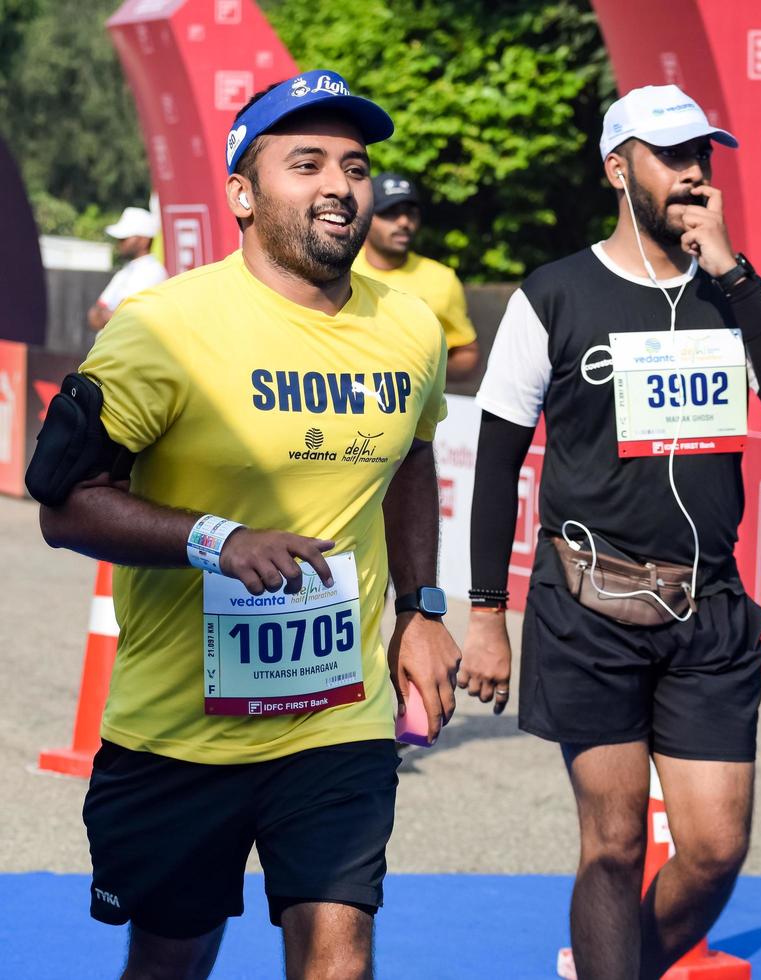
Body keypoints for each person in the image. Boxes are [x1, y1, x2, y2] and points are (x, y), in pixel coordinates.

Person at [35, 70, 460, 979]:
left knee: (338, 949)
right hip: (179, 731)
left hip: (337, 721)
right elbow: (62, 504)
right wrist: (217, 541)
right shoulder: (165, 329)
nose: (340, 185)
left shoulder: (413, 327)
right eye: (305, 163)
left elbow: (412, 455)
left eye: (353, 164)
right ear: (242, 193)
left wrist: (421, 609)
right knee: (172, 959)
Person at [458, 84, 761, 979]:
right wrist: (484, 613)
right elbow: (497, 463)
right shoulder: (552, 295)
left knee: (712, 850)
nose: (696, 169)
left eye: (704, 150)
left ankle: (603, 965)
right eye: (672, 153)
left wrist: (733, 271)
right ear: (619, 169)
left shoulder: (734, 291)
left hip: (710, 612)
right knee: (615, 844)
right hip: (590, 603)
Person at [353, 172, 480, 382]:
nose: (404, 221)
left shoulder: (442, 279)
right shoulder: (338, 270)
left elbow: (468, 353)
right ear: (365, 216)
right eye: (390, 212)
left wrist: (424, 369)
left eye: (411, 213)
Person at [86, 206, 168, 331]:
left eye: (125, 238)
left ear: (144, 240)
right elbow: (94, 317)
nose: (119, 242)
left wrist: (110, 314)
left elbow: (125, 318)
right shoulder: (125, 271)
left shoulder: (153, 271)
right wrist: (111, 315)